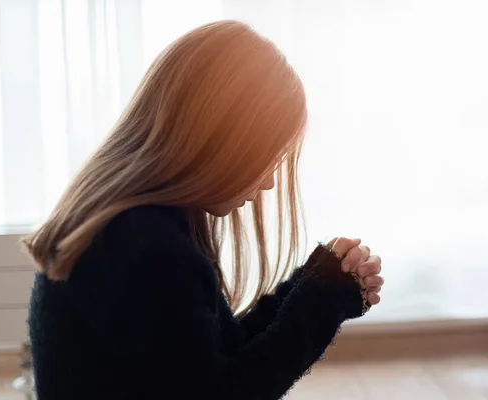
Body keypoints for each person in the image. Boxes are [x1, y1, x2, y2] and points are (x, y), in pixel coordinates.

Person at [24, 20, 384, 400]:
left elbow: (211, 359)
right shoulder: (149, 250)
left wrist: (316, 282)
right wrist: (320, 302)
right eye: (264, 159)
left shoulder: (132, 226)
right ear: (222, 143)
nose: (268, 184)